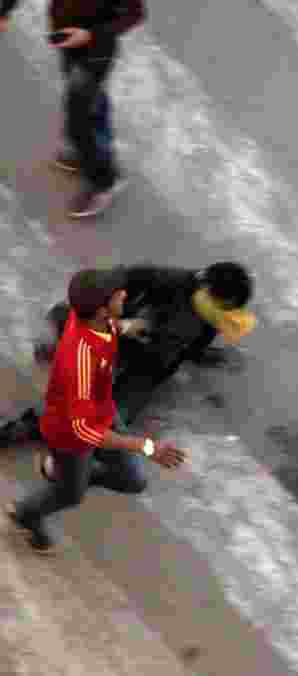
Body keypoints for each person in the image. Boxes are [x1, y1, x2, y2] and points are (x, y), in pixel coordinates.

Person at [5, 269, 188, 554]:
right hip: (73, 438)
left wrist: (127, 327)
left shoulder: (97, 323)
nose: (125, 294)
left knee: (134, 480)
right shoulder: (81, 363)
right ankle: (27, 515)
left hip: (102, 411)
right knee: (71, 495)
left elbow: (110, 327)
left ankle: (61, 473)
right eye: (119, 294)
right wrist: (147, 446)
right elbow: (84, 431)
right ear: (103, 309)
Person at [0, 262, 255, 446]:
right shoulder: (172, 281)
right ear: (205, 286)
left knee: (110, 420)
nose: (227, 312)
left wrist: (202, 354)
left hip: (149, 366)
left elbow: (192, 347)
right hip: (118, 334)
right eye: (224, 304)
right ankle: (24, 427)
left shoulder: (214, 318)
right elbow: (124, 278)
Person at [0, 0, 145, 218]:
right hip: (67, 41)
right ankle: (91, 155)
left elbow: (136, 14)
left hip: (96, 50)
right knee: (89, 103)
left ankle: (104, 181)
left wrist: (89, 35)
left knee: (79, 121)